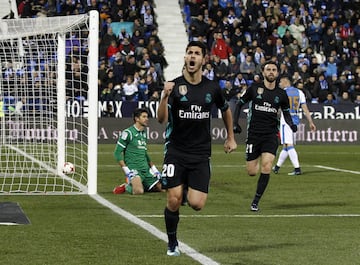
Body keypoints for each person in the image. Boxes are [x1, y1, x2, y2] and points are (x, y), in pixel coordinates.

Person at [157, 41, 237, 256]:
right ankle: (172, 243)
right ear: (185, 58)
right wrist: (164, 96)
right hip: (175, 150)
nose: (192, 56)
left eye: (196, 54)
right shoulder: (173, 86)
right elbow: (161, 119)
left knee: (197, 204)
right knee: (173, 200)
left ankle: (182, 187)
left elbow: (226, 110)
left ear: (203, 60)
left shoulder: (212, 88)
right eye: (189, 53)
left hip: (201, 153)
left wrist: (230, 137)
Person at [233, 60, 297, 212]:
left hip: (270, 135)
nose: (271, 72)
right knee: (252, 171)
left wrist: (291, 124)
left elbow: (286, 113)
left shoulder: (281, 94)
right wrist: (235, 123)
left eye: (274, 70)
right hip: (254, 135)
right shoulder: (254, 89)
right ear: (263, 72)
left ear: (277, 73)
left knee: (267, 166)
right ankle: (254, 168)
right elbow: (238, 104)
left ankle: (255, 201)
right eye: (268, 69)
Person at [272, 76, 316, 176]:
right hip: (295, 120)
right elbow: (305, 109)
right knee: (286, 145)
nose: (279, 84)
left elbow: (277, 109)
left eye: (280, 82)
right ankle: (277, 167)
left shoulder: (282, 93)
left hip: (286, 120)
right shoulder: (300, 93)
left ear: (286, 82)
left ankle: (297, 169)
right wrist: (311, 122)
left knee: (289, 145)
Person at [113, 107, 162, 195]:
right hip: (134, 169)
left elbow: (145, 153)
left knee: (161, 188)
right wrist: (127, 171)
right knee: (138, 191)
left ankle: (140, 183)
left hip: (145, 170)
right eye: (144, 117)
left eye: (147, 117)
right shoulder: (128, 133)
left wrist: (154, 169)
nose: (147, 119)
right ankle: (126, 186)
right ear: (137, 119)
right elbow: (117, 153)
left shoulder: (144, 133)